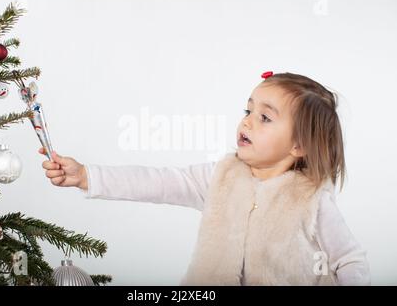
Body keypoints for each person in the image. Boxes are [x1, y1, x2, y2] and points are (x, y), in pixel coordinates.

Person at [40, 72, 371, 285]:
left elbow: (350, 260)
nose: (248, 122)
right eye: (248, 111)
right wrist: (86, 175)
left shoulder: (312, 199)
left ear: (298, 145)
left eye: (265, 117)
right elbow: (158, 182)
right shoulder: (222, 176)